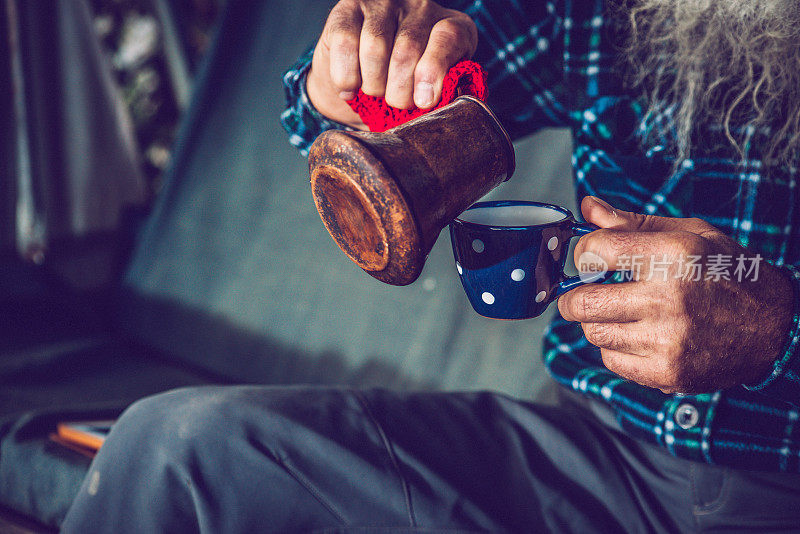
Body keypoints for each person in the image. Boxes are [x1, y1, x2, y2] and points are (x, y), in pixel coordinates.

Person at [63, 0, 800, 532]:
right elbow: (371, 105)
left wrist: (783, 327)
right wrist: (346, 86)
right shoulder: (597, 12)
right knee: (176, 448)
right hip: (587, 459)